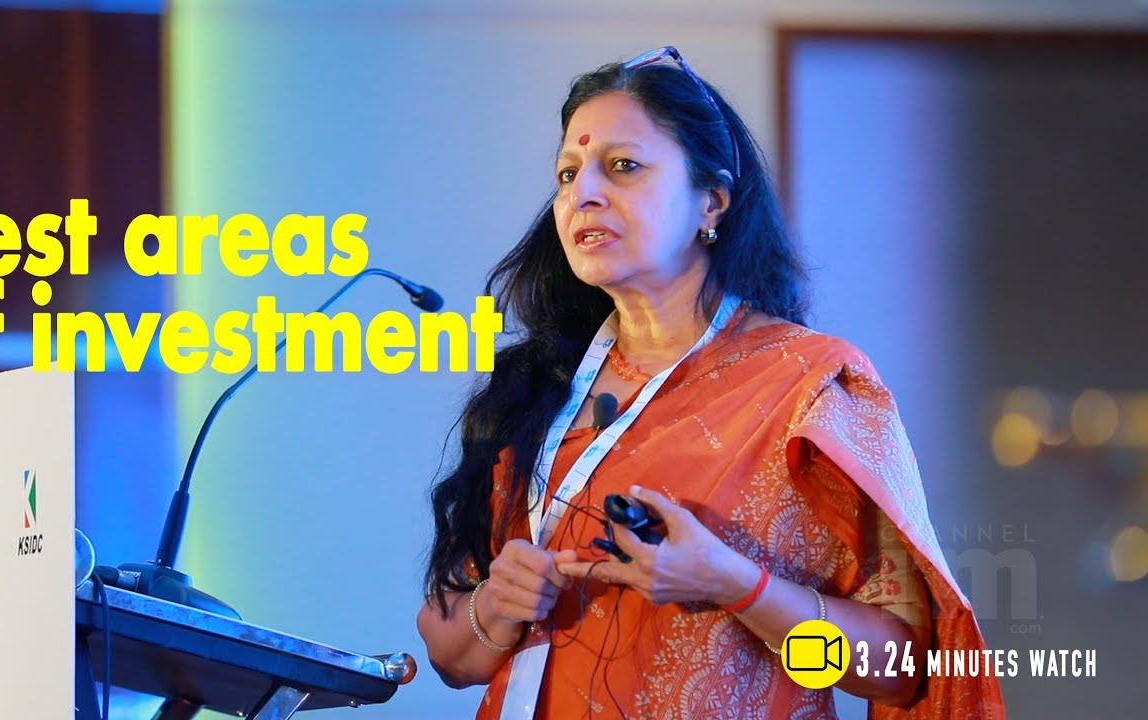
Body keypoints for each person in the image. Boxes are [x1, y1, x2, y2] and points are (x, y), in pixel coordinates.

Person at [416, 47, 1004, 720]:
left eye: (623, 166)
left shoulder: (810, 387)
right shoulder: (533, 389)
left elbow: (896, 673)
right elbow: (453, 660)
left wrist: (735, 585)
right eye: (568, 174)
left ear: (711, 203)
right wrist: (496, 605)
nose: (583, 194)